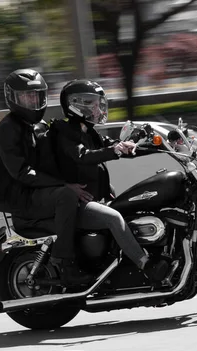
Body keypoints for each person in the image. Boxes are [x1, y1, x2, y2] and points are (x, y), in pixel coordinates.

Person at [51, 79, 169, 283]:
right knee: (114, 218)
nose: (98, 109)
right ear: (76, 105)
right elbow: (83, 156)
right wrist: (114, 150)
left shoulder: (89, 131)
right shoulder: (64, 131)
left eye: (99, 104)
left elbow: (113, 146)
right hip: (78, 205)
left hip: (94, 198)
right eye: (92, 104)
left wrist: (155, 147)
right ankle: (145, 265)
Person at [0, 68, 93, 287]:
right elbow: (21, 172)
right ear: (13, 98)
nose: (33, 101)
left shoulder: (34, 126)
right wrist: (65, 185)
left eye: (37, 96)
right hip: (22, 199)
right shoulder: (7, 129)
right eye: (27, 97)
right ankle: (65, 263)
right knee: (66, 195)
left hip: (36, 192)